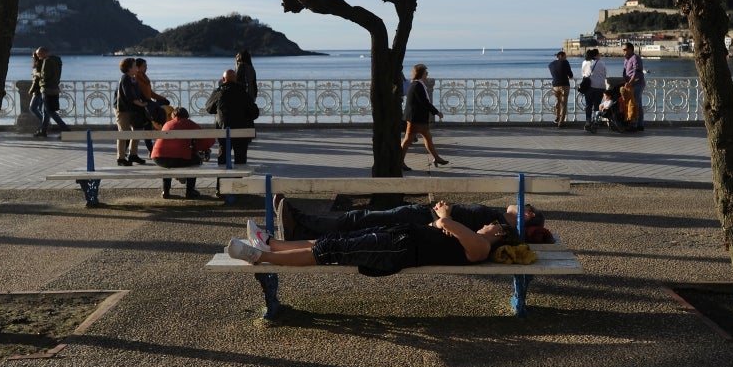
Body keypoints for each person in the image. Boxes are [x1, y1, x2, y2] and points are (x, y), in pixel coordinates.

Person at [227, 200, 518, 274]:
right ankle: (273, 244)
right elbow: (446, 227)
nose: (486, 225)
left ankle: (260, 256)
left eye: (492, 225)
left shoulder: (481, 246)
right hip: (399, 238)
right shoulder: (479, 240)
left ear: (500, 233)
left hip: (399, 248)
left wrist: (445, 215)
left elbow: (445, 223)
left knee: (332, 252)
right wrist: (445, 221)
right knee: (335, 243)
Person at [249, 196, 546, 242]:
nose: (517, 201)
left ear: (527, 214)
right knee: (360, 222)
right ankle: (300, 227)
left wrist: (444, 213)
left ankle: (300, 222)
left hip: (422, 218)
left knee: (359, 219)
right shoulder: (500, 221)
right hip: (425, 215)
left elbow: (462, 227)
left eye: (524, 205)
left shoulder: (503, 225)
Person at [150, 107, 215, 199]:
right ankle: (190, 191)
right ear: (187, 116)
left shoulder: (167, 124)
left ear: (173, 115)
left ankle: (166, 191)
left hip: (158, 158)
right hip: (177, 159)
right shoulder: (189, 123)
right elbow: (206, 140)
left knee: (168, 164)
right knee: (196, 161)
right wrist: (199, 148)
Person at [205, 69, 259, 165]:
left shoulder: (218, 93)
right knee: (240, 158)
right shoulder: (242, 92)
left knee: (223, 158)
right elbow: (255, 113)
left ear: (223, 79)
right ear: (236, 79)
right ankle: (238, 179)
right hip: (241, 132)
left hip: (223, 131)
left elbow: (209, 108)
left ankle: (222, 178)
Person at [400, 63, 448, 170]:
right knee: (407, 140)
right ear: (421, 74)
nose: (427, 74)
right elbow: (424, 102)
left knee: (428, 138)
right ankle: (399, 161)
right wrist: (437, 112)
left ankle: (437, 158)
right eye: (426, 73)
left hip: (419, 119)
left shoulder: (417, 84)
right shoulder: (417, 86)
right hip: (415, 119)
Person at [114, 57, 148, 166]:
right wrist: (141, 103)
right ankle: (121, 158)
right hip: (122, 110)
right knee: (124, 133)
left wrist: (148, 101)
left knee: (137, 130)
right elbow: (129, 95)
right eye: (135, 66)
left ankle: (133, 154)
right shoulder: (125, 79)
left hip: (132, 109)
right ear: (129, 68)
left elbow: (139, 94)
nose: (137, 68)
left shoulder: (133, 79)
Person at [135, 58, 170, 154]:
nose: (146, 68)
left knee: (148, 126)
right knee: (145, 127)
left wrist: (162, 98)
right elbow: (139, 95)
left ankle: (152, 150)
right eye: (144, 66)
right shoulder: (136, 79)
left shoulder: (144, 77)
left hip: (148, 104)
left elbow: (150, 93)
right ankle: (151, 150)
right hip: (142, 106)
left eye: (146, 66)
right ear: (137, 67)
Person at [33, 46, 69, 137]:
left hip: (47, 89)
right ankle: (43, 131)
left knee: (50, 111)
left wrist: (37, 74)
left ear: (44, 53)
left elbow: (45, 75)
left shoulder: (47, 61)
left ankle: (65, 129)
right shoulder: (57, 61)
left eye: (39, 54)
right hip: (54, 88)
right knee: (46, 111)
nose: (38, 56)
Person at [581, 48, 607, 132]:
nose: (600, 55)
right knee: (597, 105)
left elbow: (583, 74)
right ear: (596, 55)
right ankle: (595, 122)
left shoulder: (585, 62)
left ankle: (588, 122)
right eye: (599, 54)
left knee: (588, 105)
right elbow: (605, 74)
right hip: (600, 86)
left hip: (589, 87)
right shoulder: (601, 63)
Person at [622, 42, 645, 132]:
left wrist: (630, 82)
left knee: (634, 104)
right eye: (623, 50)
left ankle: (634, 125)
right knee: (638, 104)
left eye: (625, 49)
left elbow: (637, 72)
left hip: (637, 84)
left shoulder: (635, 58)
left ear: (631, 49)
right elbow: (625, 72)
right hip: (631, 84)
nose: (623, 51)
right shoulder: (626, 59)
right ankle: (640, 124)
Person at [548, 51, 574, 127]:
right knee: (564, 104)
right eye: (565, 56)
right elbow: (570, 74)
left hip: (555, 86)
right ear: (560, 56)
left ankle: (557, 117)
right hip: (564, 85)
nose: (566, 58)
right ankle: (561, 122)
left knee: (557, 102)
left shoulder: (551, 64)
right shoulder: (565, 62)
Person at [27, 50, 43, 124]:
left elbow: (36, 80)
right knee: (40, 109)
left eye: (33, 57)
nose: (32, 58)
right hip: (42, 89)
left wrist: (31, 90)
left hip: (38, 90)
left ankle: (44, 123)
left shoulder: (37, 65)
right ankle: (43, 126)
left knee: (32, 108)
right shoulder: (42, 64)